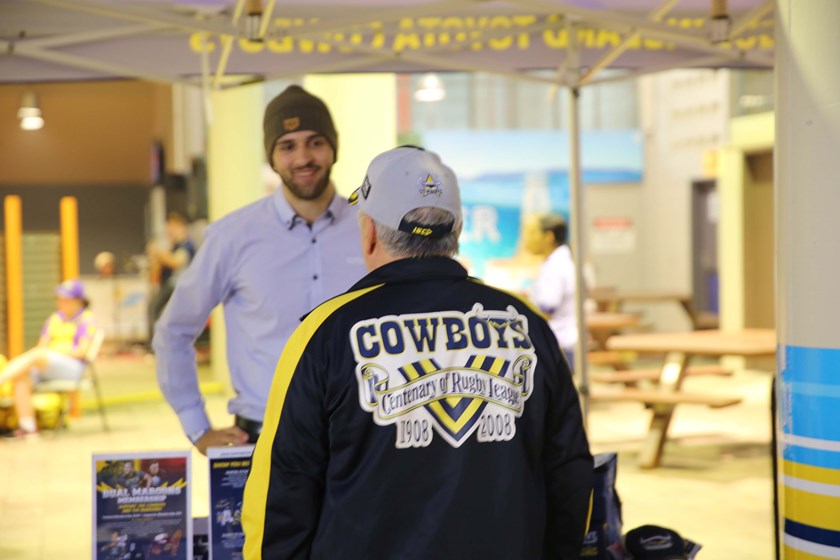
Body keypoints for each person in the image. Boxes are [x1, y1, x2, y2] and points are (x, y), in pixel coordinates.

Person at [242, 146, 593, 559]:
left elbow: (280, 496)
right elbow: (570, 475)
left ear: (369, 231)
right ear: (456, 232)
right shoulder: (527, 324)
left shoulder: (325, 333)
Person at [153, 85, 367, 454]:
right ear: (272, 156)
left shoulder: (372, 228)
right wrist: (197, 427)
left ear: (333, 147)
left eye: (315, 142)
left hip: (363, 439)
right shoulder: (233, 236)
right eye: (287, 146)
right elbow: (173, 330)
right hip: (265, 440)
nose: (303, 157)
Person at [0, 278, 97, 438]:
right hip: (48, 364)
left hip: (73, 368)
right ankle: (28, 428)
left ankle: (2, 378)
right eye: (60, 299)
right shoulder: (54, 319)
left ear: (78, 300)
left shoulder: (86, 319)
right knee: (21, 374)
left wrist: (57, 352)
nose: (62, 303)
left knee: (37, 355)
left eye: (66, 299)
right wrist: (48, 353)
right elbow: (42, 346)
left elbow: (83, 351)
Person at [525, 213, 580, 370]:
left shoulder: (556, 266)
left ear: (548, 237)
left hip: (558, 343)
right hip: (560, 342)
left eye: (533, 233)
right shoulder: (558, 261)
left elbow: (546, 309)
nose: (528, 239)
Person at [147, 211, 196, 338]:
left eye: (171, 228)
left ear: (180, 227)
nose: (169, 232)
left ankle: (156, 345)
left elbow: (176, 262)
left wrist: (158, 252)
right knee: (156, 311)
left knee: (155, 310)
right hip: (169, 285)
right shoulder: (173, 247)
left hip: (178, 286)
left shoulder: (187, 245)